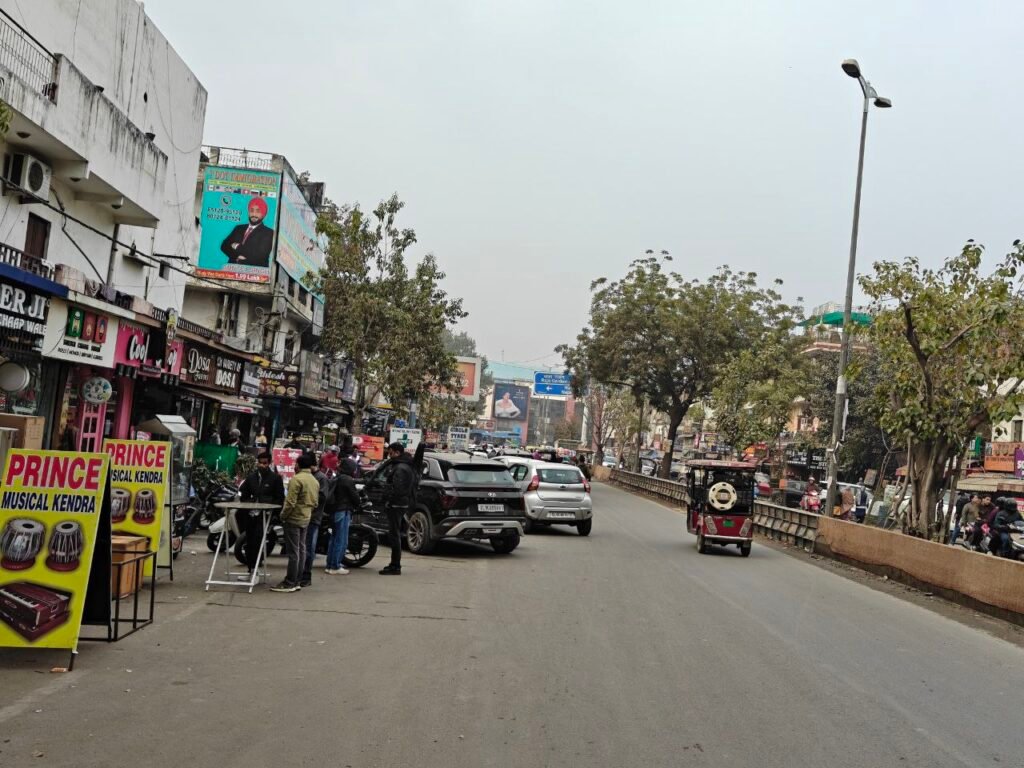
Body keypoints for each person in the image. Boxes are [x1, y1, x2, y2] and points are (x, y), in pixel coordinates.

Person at [272, 453, 318, 592]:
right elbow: (315, 502)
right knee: (302, 549)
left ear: (298, 465)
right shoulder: (314, 480)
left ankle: (290, 582)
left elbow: (290, 502)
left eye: (296, 463)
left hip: (293, 518)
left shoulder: (296, 480)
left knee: (294, 552)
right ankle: (297, 580)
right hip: (306, 518)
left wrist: (283, 516)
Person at [238, 452, 285, 576]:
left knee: (259, 541)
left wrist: (270, 509)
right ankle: (250, 568)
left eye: (264, 463)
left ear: (269, 463)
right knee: (249, 541)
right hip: (250, 515)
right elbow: (243, 494)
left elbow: (279, 499)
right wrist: (251, 503)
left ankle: (256, 565)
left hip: (265, 516)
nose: (262, 465)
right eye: (260, 463)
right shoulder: (251, 478)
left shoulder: (275, 478)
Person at [380, 442, 416, 575]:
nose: (389, 456)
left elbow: (397, 489)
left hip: (397, 504)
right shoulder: (406, 465)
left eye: (390, 453)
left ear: (397, 452)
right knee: (395, 534)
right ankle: (394, 564)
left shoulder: (400, 468)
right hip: (401, 503)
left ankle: (395, 565)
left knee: (394, 535)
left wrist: (389, 500)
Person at [326, 458, 363, 575]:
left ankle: (330, 564)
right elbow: (355, 498)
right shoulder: (347, 480)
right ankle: (335, 566)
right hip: (343, 511)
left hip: (334, 511)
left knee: (334, 539)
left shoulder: (337, 477)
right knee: (341, 540)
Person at [300, 464, 334, 587]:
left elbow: (322, 498)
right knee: (303, 547)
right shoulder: (307, 476)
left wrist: (308, 503)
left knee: (308, 548)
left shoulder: (321, 478)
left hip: (313, 518)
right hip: (304, 516)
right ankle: (300, 574)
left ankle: (306, 576)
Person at [220, 196, 275, 267]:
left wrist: (236, 246)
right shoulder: (239, 228)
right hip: (232, 270)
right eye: (251, 210)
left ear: (263, 214)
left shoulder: (269, 233)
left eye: (258, 211)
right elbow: (224, 245)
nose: (254, 214)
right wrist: (236, 256)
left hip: (256, 274)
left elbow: (260, 255)